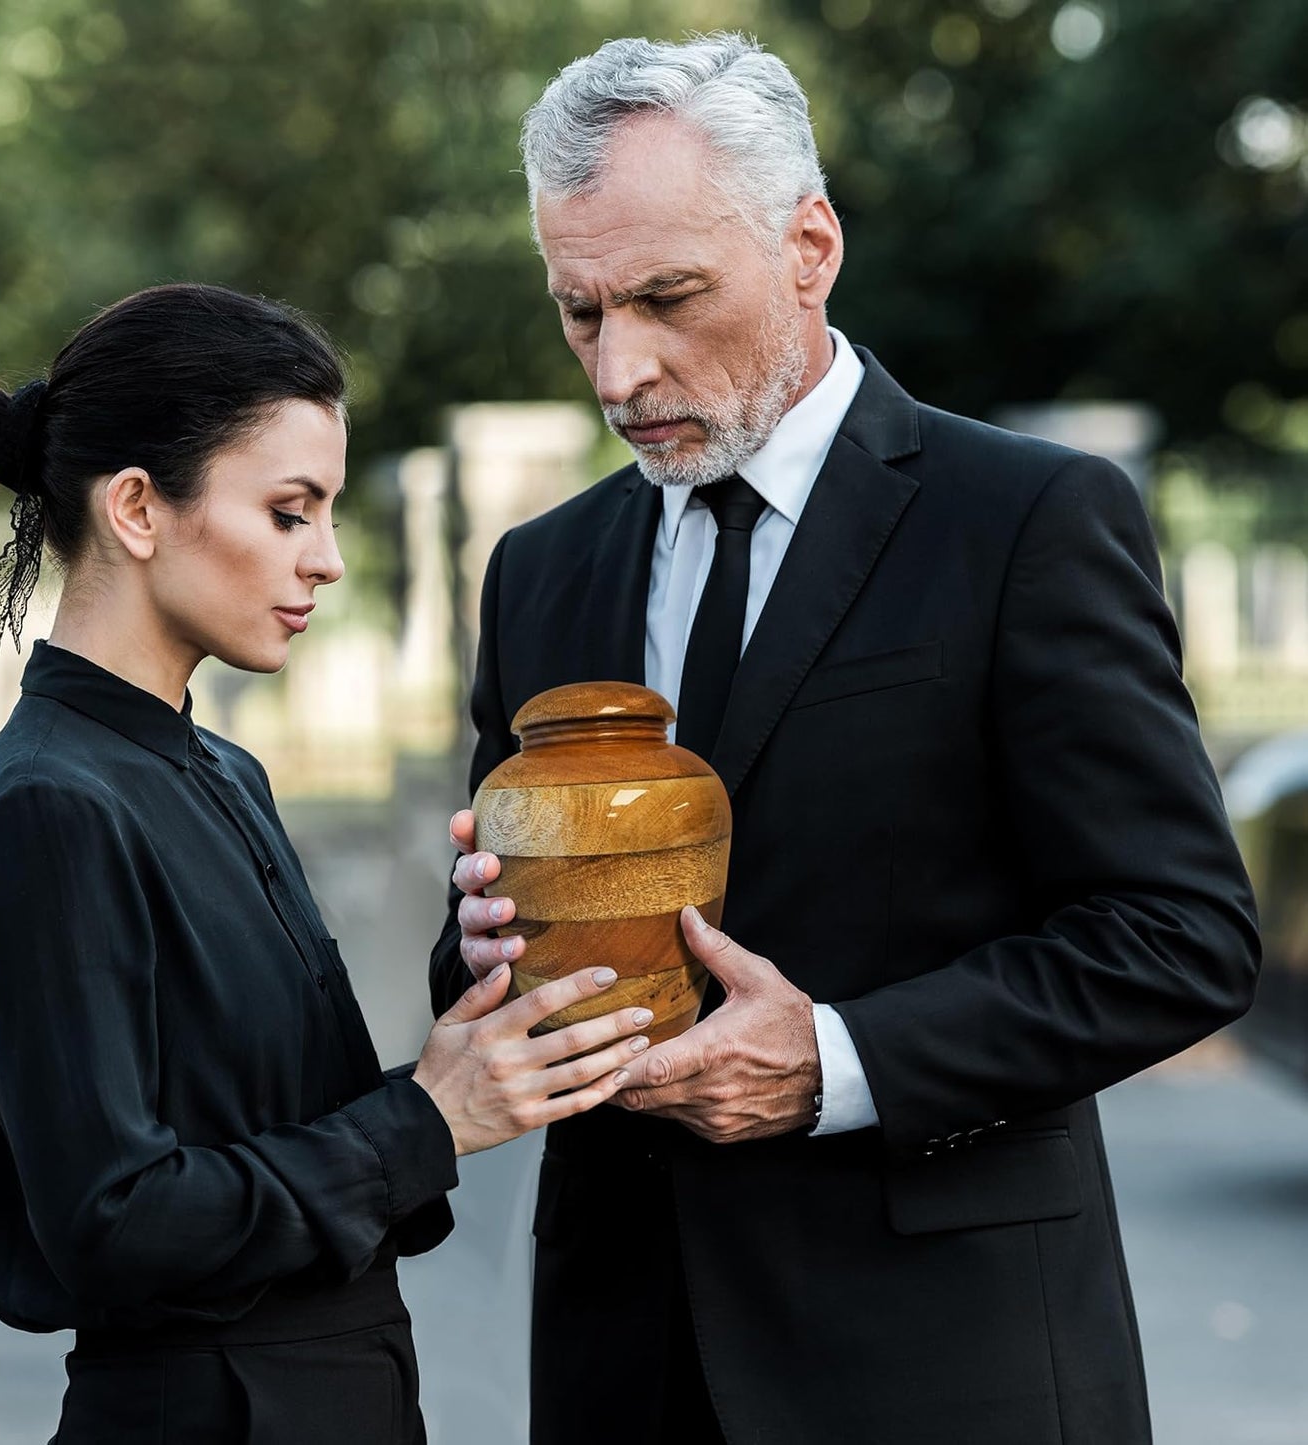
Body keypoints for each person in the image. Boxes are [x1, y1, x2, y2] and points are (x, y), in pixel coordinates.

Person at [428, 34, 1260, 1445]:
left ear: (808, 245)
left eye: (667, 297)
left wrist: (836, 1059)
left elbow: (1179, 935)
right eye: (581, 313)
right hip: (624, 1355)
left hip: (948, 1363)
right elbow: (488, 964)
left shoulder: (1024, 524)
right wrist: (489, 944)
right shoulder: (540, 571)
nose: (621, 370)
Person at [0, 283, 653, 1445]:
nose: (324, 558)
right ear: (135, 508)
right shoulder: (49, 807)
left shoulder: (221, 768)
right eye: (287, 511)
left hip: (341, 1387)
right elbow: (112, 1219)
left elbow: (264, 1117)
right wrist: (429, 1118)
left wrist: (476, 1016)